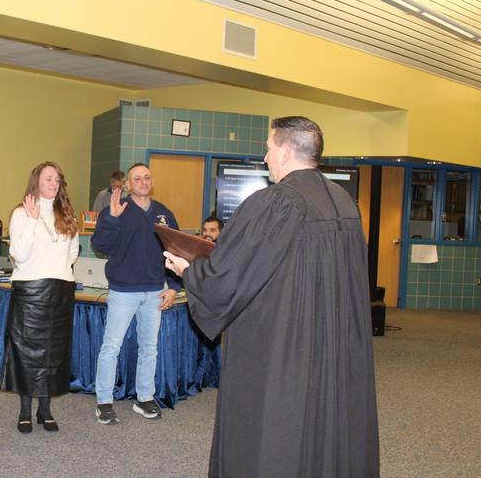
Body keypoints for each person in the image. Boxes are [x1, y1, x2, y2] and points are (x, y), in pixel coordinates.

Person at [164, 116, 379, 477]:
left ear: (286, 150)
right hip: (335, 344)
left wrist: (189, 272)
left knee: (277, 430)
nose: (264, 158)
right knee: (326, 419)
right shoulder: (343, 201)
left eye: (268, 148)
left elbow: (228, 278)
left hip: (284, 348)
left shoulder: (275, 203)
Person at [91, 162, 182, 424]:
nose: (142, 182)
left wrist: (174, 288)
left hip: (154, 291)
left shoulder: (164, 214)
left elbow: (176, 253)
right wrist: (112, 218)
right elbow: (100, 245)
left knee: (149, 348)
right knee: (111, 348)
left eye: (146, 177)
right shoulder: (117, 210)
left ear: (151, 182)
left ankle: (144, 398)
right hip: (123, 291)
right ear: (128, 185)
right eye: (137, 178)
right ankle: (104, 402)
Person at [1, 161, 80, 434]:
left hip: (60, 291)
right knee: (27, 354)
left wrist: (56, 271)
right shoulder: (21, 213)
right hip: (30, 292)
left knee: (52, 355)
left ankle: (45, 410)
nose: (54, 183)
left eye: (57, 179)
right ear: (36, 181)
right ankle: (24, 411)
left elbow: (73, 253)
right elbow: (19, 255)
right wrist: (34, 221)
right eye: (48, 179)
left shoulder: (67, 214)